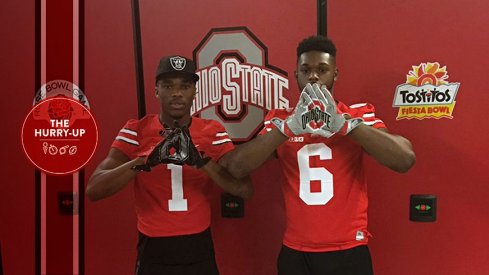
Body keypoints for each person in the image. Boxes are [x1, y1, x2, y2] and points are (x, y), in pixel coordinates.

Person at [220, 35, 416, 275]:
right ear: (296, 75)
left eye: (322, 70)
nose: (313, 76)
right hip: (296, 252)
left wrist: (346, 126)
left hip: (348, 249)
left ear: (335, 74)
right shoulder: (280, 120)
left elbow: (404, 159)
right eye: (306, 70)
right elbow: (237, 167)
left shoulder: (357, 114)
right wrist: (288, 129)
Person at [86, 55, 253, 275]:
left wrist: (202, 162)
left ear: (195, 92)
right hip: (154, 248)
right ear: (156, 91)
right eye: (168, 85)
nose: (176, 93)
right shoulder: (136, 130)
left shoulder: (211, 131)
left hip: (199, 246)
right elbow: (94, 190)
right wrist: (145, 160)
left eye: (184, 86)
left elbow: (244, 189)